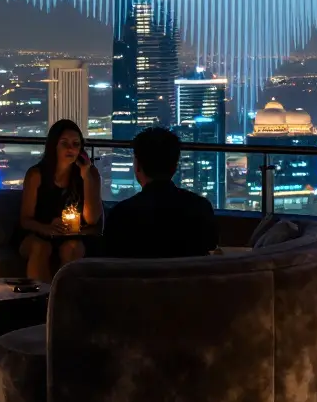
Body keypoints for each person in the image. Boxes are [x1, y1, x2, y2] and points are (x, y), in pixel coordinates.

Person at [103, 127, 218, 259]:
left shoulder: (121, 215)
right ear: (175, 167)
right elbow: (211, 246)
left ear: (138, 166)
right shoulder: (201, 208)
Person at [18, 120, 102, 282]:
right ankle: (43, 296)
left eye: (76, 144)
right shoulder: (36, 175)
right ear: (54, 145)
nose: (71, 148)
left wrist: (86, 176)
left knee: (72, 247)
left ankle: (65, 296)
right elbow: (25, 220)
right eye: (64, 143)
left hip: (74, 236)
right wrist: (46, 228)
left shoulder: (90, 174)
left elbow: (92, 219)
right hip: (38, 234)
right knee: (40, 247)